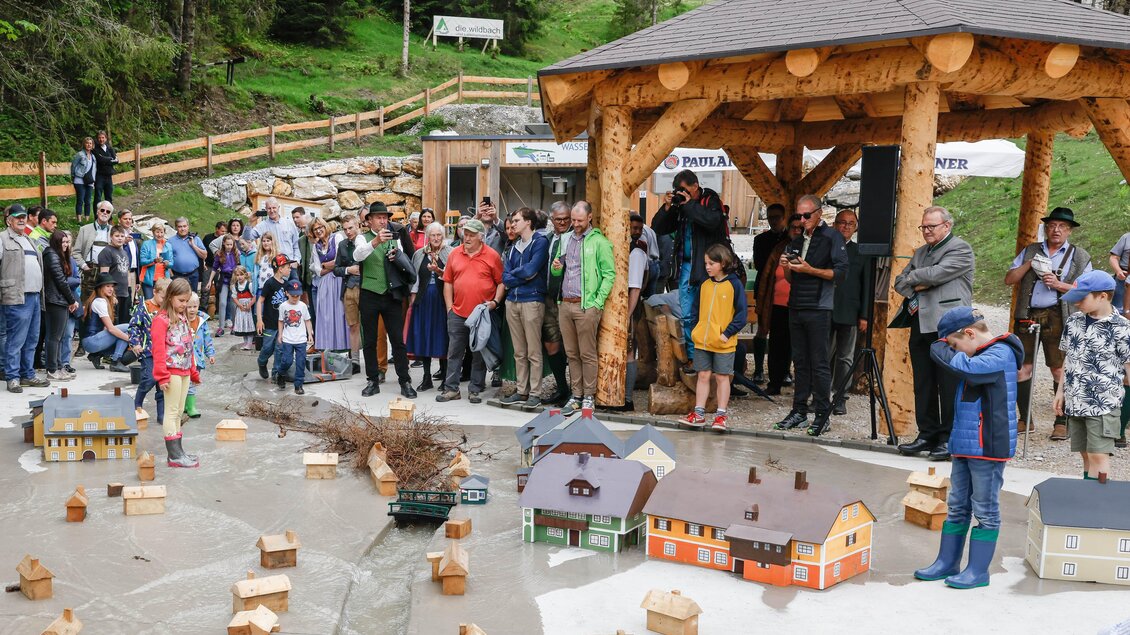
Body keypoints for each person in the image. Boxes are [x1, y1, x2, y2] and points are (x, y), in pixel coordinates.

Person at [914, 306, 1022, 589]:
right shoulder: (985, 353)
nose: (955, 350)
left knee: (985, 510)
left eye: (955, 344)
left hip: (988, 446)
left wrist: (939, 349)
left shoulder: (1001, 353)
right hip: (965, 445)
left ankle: (978, 571)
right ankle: (947, 563)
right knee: (957, 506)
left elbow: (968, 370)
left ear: (970, 333)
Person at [894, 206, 975, 461]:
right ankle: (926, 433)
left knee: (949, 383)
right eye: (924, 227)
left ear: (947, 226)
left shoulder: (961, 248)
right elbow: (899, 281)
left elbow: (938, 273)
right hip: (920, 322)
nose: (926, 231)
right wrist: (919, 282)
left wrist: (916, 277)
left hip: (949, 326)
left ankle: (948, 438)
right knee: (924, 382)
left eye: (931, 226)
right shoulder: (920, 252)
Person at [1004, 207, 1091, 441]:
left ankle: (1061, 422)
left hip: (1059, 316)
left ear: (1070, 231)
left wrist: (1059, 284)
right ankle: (1025, 419)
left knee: (1059, 369)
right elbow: (1008, 279)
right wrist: (1028, 264)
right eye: (1052, 225)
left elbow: (1087, 290)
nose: (1056, 230)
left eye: (1062, 226)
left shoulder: (1080, 256)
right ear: (1045, 228)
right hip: (1027, 314)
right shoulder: (1031, 250)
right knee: (1022, 368)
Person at [771, 196, 848, 437]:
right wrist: (786, 266)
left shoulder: (832, 237)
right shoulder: (796, 239)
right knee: (800, 362)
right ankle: (799, 411)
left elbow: (841, 273)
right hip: (796, 305)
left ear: (819, 213)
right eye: (799, 216)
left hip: (819, 306)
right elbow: (792, 278)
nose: (802, 220)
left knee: (819, 363)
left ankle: (823, 414)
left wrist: (810, 269)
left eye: (807, 216)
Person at [1053, 271, 1130, 480]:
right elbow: (1068, 358)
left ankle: (1100, 507)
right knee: (1085, 453)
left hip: (1103, 402)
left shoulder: (1122, 327)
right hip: (1076, 399)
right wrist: (1061, 391)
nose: (1077, 302)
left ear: (1102, 296)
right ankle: (1087, 501)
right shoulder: (1074, 321)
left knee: (1098, 454)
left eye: (1082, 298)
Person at [650, 169, 729, 363]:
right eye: (678, 190)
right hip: (686, 268)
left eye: (685, 190)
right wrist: (668, 208)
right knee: (687, 315)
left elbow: (712, 222)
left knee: (709, 316)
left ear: (695, 186)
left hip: (708, 270)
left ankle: (711, 358)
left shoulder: (709, 200)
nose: (681, 194)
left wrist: (689, 205)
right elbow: (658, 228)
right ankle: (694, 359)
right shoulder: (681, 206)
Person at [550, 201, 616, 415]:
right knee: (571, 353)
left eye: (579, 220)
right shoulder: (566, 238)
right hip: (565, 303)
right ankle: (576, 395)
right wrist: (556, 268)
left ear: (589, 218)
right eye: (573, 220)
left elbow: (609, 274)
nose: (575, 224)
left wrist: (597, 302)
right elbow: (558, 272)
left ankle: (589, 395)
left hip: (586, 305)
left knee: (587, 353)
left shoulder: (600, 242)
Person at [679, 244, 747, 431]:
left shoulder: (734, 285)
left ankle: (721, 416)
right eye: (706, 263)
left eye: (711, 263)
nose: (707, 267)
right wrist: (695, 330)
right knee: (702, 375)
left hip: (724, 343)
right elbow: (695, 310)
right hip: (703, 341)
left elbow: (742, 315)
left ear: (723, 263)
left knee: (722, 377)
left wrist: (727, 333)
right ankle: (699, 414)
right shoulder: (705, 284)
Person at [435, 218, 503, 404]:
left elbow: (501, 282)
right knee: (454, 352)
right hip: (457, 312)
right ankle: (451, 389)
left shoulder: (492, 256)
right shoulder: (455, 254)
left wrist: (495, 302)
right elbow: (448, 281)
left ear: (481, 237)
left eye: (472, 235)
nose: (467, 238)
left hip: (481, 315)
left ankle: (475, 389)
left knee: (478, 353)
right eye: (466, 234)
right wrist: (449, 308)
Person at [353, 202, 418, 398]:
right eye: (379, 217)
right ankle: (373, 380)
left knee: (398, 340)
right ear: (369, 220)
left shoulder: (395, 238)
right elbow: (358, 255)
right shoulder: (361, 238)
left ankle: (405, 381)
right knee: (370, 341)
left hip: (391, 295)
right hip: (369, 294)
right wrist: (375, 242)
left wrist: (396, 256)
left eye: (385, 217)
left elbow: (403, 260)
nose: (383, 220)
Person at [501, 207, 550, 407]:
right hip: (512, 301)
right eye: (513, 221)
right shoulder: (513, 247)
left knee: (533, 350)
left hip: (532, 300)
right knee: (519, 350)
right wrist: (519, 278)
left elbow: (532, 269)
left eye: (517, 220)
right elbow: (504, 277)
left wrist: (514, 277)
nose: (513, 224)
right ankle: (522, 391)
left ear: (528, 222)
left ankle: (535, 393)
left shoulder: (540, 242)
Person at [151, 278, 200, 468]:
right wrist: (162, 376)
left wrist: (193, 371)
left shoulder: (183, 318)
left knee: (179, 412)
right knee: (171, 412)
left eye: (187, 301)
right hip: (170, 372)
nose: (185, 305)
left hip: (184, 370)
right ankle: (173, 455)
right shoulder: (160, 320)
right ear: (170, 297)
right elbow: (158, 351)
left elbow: (189, 345)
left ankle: (179, 451)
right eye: (181, 301)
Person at [2, 205, 49, 392]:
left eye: (23, 217)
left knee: (32, 339)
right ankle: (12, 377)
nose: (21, 220)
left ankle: (27, 374)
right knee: (16, 339)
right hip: (16, 297)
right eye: (17, 217)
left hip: (35, 296)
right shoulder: (2, 238)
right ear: (9, 220)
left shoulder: (28, 239)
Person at [830, 209, 868, 416]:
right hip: (825, 309)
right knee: (822, 356)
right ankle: (820, 395)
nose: (845, 226)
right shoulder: (826, 247)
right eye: (842, 222)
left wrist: (865, 315)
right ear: (835, 225)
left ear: (856, 227)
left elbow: (866, 284)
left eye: (850, 223)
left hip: (850, 311)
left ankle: (840, 397)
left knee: (845, 357)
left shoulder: (861, 251)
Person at [407, 222, 452, 393]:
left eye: (439, 235)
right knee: (424, 337)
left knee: (443, 337)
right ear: (427, 236)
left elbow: (453, 276)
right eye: (432, 235)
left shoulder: (450, 253)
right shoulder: (420, 254)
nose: (436, 238)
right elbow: (414, 279)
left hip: (442, 300)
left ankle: (445, 376)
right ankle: (426, 377)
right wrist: (413, 301)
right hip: (424, 300)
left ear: (443, 236)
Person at [751, 203, 788, 382]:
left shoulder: (791, 238)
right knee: (763, 328)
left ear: (784, 218)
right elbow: (759, 264)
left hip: (785, 289)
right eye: (770, 217)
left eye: (776, 217)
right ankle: (758, 369)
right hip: (765, 288)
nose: (773, 221)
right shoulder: (761, 240)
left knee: (786, 332)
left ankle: (785, 370)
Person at [540, 202, 572, 405]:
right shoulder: (548, 239)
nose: (562, 222)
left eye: (566, 219)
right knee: (551, 344)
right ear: (551, 220)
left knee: (572, 348)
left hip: (569, 298)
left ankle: (576, 393)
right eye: (558, 219)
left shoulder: (576, 239)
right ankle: (562, 388)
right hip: (549, 299)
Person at [130, 278, 170, 427]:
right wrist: (135, 343)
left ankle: (162, 415)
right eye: (162, 298)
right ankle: (137, 404)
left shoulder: (167, 309)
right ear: (154, 292)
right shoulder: (144, 307)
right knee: (149, 378)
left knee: (162, 383)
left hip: (164, 352)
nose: (164, 301)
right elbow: (134, 325)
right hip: (147, 350)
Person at [42, 230, 80, 381]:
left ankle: (58, 367)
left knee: (57, 336)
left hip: (59, 300)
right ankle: (52, 370)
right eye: (62, 242)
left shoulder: (57, 255)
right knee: (54, 336)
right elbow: (61, 282)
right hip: (55, 300)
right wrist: (72, 300)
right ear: (55, 242)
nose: (65, 245)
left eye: (66, 242)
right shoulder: (52, 255)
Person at [309, 217, 349, 351]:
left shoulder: (336, 238)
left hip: (338, 280)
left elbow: (340, 260)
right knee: (326, 315)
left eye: (320, 227)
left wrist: (326, 265)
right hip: (325, 283)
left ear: (325, 227)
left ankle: (343, 347)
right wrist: (329, 266)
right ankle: (328, 348)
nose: (319, 230)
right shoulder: (316, 246)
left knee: (339, 313)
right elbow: (319, 271)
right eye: (315, 229)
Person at [80, 274, 134, 372]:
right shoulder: (99, 302)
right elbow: (111, 329)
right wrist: (131, 340)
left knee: (123, 334)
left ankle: (96, 355)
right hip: (91, 341)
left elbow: (105, 328)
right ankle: (115, 362)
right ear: (100, 288)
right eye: (107, 286)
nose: (111, 289)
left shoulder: (99, 300)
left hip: (91, 341)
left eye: (112, 286)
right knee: (127, 328)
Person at [333, 214, 364, 363]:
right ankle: (355, 360)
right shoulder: (342, 245)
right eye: (345, 229)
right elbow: (336, 269)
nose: (348, 232)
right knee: (353, 325)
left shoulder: (366, 242)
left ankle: (376, 360)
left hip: (366, 288)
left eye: (351, 228)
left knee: (372, 326)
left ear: (358, 225)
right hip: (348, 289)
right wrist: (348, 270)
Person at [256, 255, 292, 381]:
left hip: (282, 324)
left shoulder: (287, 284)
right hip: (269, 323)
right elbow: (260, 301)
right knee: (267, 348)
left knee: (279, 348)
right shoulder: (270, 283)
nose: (290, 269)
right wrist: (259, 320)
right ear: (280, 269)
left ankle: (276, 374)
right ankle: (261, 362)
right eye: (288, 267)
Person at [276, 279, 314, 395]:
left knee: (301, 362)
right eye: (293, 295)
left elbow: (307, 320)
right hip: (287, 339)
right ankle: (281, 374)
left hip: (301, 339)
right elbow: (281, 321)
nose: (295, 298)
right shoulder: (283, 306)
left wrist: (310, 334)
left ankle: (298, 385)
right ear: (287, 293)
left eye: (297, 295)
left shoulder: (302, 306)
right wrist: (280, 334)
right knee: (286, 361)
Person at [73, 201, 115, 303]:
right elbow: (76, 252)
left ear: (110, 215)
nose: (105, 213)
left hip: (108, 272)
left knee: (105, 302)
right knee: (87, 303)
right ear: (97, 212)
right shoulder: (85, 229)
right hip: (90, 271)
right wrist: (85, 267)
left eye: (108, 211)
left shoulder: (114, 231)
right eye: (102, 210)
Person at [245, 197, 301, 270]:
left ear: (278, 208)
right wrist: (249, 222)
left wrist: (296, 261)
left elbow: (296, 243)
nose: (272, 211)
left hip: (289, 265)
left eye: (274, 208)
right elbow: (247, 238)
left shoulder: (289, 223)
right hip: (271, 267)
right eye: (269, 208)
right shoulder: (262, 225)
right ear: (265, 209)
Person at [184, 293, 214, 418]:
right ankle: (189, 406)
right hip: (183, 359)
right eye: (189, 307)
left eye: (195, 306)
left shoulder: (202, 322)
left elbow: (207, 339)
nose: (192, 310)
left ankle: (189, 406)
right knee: (186, 384)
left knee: (192, 383)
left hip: (197, 359)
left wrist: (210, 353)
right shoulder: (181, 320)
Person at [96, 225, 132, 324]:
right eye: (117, 236)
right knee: (114, 323)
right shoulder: (107, 251)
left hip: (124, 293)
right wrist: (110, 295)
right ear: (111, 237)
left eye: (122, 236)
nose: (120, 238)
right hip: (113, 294)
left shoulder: (124, 252)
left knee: (124, 323)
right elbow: (104, 275)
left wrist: (129, 291)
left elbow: (127, 272)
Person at [168, 217, 207, 292]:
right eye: (180, 226)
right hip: (177, 276)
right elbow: (167, 259)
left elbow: (204, 255)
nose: (182, 229)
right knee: (178, 297)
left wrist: (193, 245)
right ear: (176, 228)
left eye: (184, 226)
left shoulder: (195, 239)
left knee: (193, 297)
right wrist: (172, 275)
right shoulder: (170, 241)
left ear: (188, 227)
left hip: (193, 275)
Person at [211, 234, 239, 337]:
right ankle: (221, 327)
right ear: (223, 243)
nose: (229, 246)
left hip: (233, 280)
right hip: (224, 280)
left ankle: (235, 326)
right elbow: (214, 268)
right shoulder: (220, 254)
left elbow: (239, 266)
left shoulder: (236, 254)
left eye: (231, 244)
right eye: (227, 244)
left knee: (233, 304)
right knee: (222, 303)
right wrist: (210, 281)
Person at [139, 223, 174, 300]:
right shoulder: (146, 244)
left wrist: (168, 264)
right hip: (149, 280)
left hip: (163, 280)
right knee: (149, 301)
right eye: (157, 232)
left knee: (163, 302)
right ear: (153, 232)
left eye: (161, 232)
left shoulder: (168, 246)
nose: (159, 234)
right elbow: (142, 261)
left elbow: (172, 263)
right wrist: (154, 260)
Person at [293, 207, 316, 321]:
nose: (304, 230)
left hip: (318, 278)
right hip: (307, 280)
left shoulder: (317, 239)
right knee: (311, 308)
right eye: (302, 228)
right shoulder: (301, 240)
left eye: (305, 227)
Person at [230, 266, 257, 350]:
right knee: (243, 324)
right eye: (237, 275)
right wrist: (239, 305)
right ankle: (245, 342)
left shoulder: (249, 285)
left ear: (245, 275)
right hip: (241, 308)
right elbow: (234, 297)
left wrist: (249, 305)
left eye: (241, 275)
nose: (239, 277)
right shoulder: (235, 286)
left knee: (249, 324)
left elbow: (255, 296)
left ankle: (249, 343)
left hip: (248, 308)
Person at [70, 137, 96, 223]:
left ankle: (87, 219)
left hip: (89, 181)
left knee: (88, 200)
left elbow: (94, 169)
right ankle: (79, 220)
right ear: (84, 144)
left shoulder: (93, 156)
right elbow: (73, 166)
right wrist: (73, 176)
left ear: (92, 145)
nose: (89, 145)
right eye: (87, 143)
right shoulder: (79, 154)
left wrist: (93, 180)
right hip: (79, 179)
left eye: (90, 143)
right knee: (80, 199)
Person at [92, 130, 117, 206]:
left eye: (103, 138)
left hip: (109, 175)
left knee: (109, 197)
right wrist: (110, 159)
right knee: (98, 197)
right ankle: (97, 216)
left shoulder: (109, 148)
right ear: (97, 139)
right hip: (99, 176)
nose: (101, 139)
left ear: (106, 138)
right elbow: (100, 160)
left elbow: (116, 160)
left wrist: (106, 159)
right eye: (99, 138)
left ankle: (109, 217)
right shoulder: (95, 149)